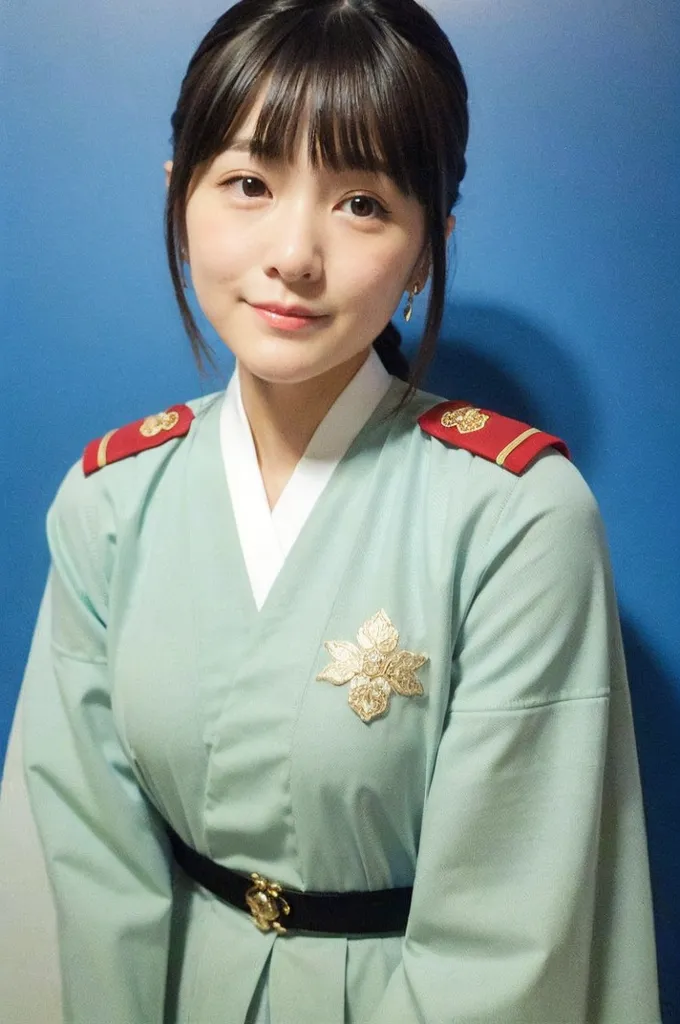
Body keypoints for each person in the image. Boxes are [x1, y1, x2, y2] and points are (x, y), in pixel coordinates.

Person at [20, 1, 660, 1022]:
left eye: (360, 201)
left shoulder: (517, 519)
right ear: (179, 195)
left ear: (425, 246)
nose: (294, 254)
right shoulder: (110, 499)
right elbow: (75, 868)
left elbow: (509, 938)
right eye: (247, 184)